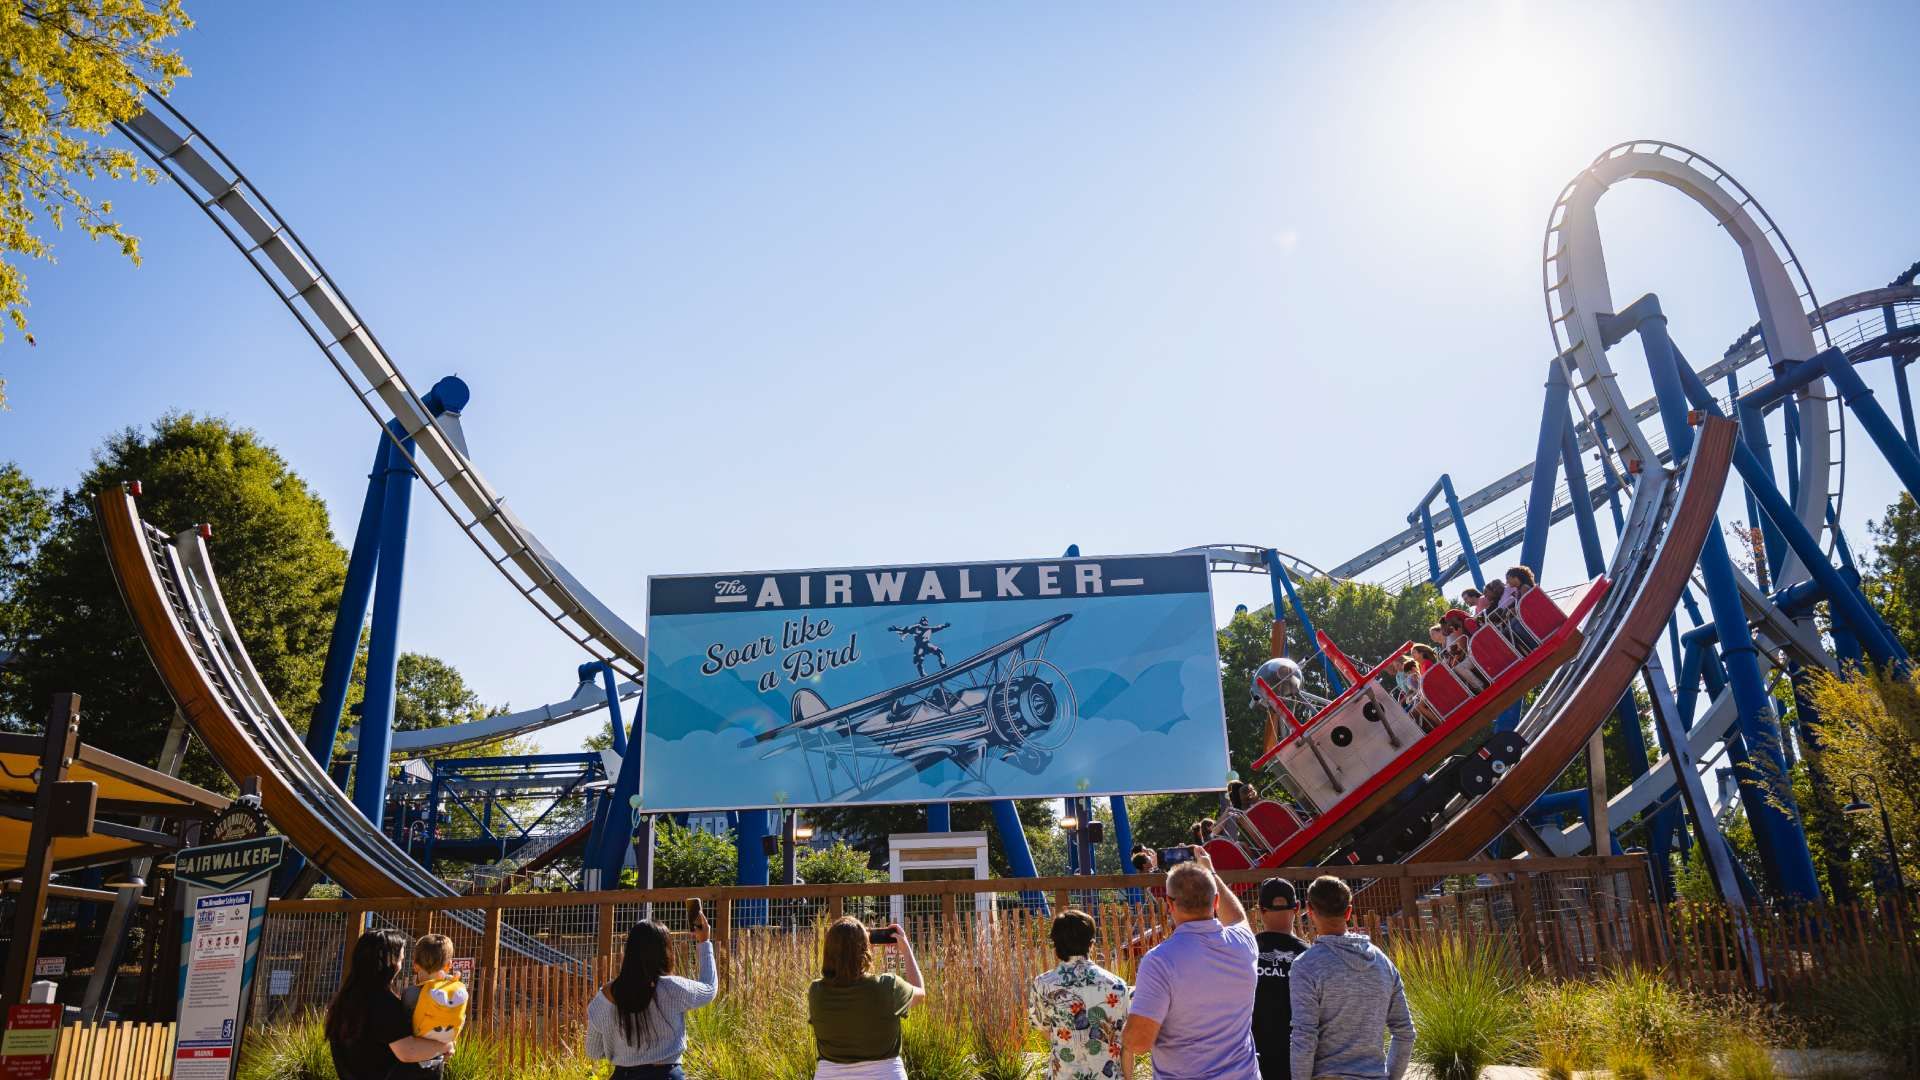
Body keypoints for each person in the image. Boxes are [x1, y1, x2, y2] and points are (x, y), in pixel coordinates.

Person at [1121, 846, 1260, 1079]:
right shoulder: (1243, 944)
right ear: (1215, 901)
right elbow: (1237, 917)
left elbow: (1138, 1042)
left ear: (1170, 904)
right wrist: (1210, 870)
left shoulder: (1159, 961)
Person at [1288, 877, 1414, 1080]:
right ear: (1348, 912)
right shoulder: (1383, 963)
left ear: (1309, 911)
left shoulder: (1306, 966)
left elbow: (1304, 1036)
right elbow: (1405, 1032)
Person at [586, 899, 718, 1080]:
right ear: (665, 952)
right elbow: (709, 989)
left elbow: (593, 1051)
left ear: (629, 951)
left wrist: (624, 1052)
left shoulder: (605, 997)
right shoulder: (673, 988)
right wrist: (704, 942)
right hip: (666, 1074)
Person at [325, 929, 460, 1080]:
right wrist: (445, 1046)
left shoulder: (345, 999)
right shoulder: (383, 1003)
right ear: (388, 960)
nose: (403, 960)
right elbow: (407, 1051)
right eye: (401, 957)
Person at [808, 917, 925, 1079]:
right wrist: (905, 949)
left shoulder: (817, 992)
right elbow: (920, 992)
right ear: (864, 948)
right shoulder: (888, 986)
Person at [1030, 909, 1131, 1080]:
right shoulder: (1117, 985)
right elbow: (1126, 1043)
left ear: (1056, 945)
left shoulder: (1043, 984)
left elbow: (1044, 1029)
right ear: (1091, 943)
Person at [1251, 879, 1310, 1080]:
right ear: (1297, 908)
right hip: (1295, 1061)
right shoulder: (1308, 955)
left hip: (1251, 1059)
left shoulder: (1246, 952)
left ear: (1260, 910)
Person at [406, 934, 468, 1050]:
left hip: (413, 1056)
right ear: (448, 965)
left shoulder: (411, 994)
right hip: (441, 1055)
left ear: (415, 965)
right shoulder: (458, 992)